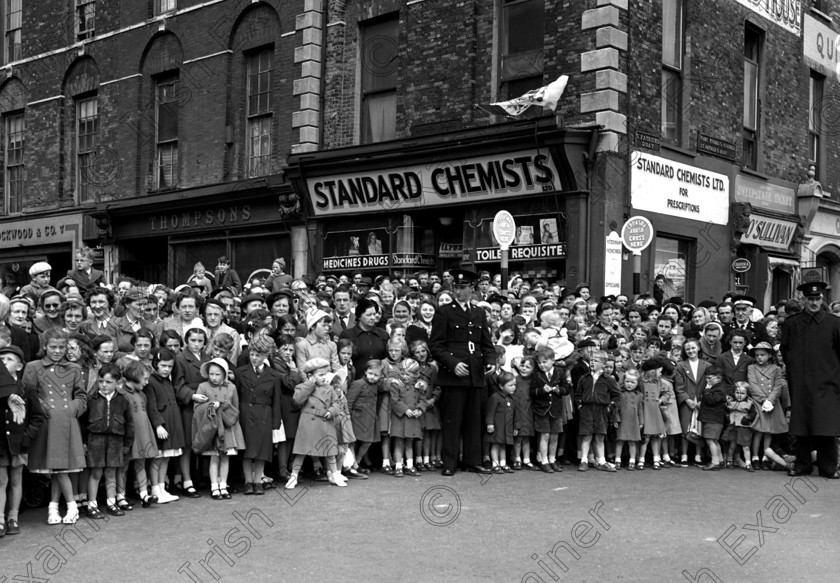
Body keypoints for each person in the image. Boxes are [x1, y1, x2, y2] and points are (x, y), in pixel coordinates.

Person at [430, 269, 495, 477]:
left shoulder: (479, 312)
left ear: (471, 289)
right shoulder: (444, 312)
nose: (459, 291)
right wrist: (452, 364)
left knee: (473, 420)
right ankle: (450, 462)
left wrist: (490, 361)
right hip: (454, 374)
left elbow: (486, 343)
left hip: (475, 373)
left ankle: (472, 460)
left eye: (463, 288)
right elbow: (436, 346)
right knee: (452, 420)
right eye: (456, 287)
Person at [23, 329, 87, 525]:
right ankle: (57, 507)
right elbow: (27, 394)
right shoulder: (33, 367)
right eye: (53, 347)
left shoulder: (74, 368)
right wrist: (42, 407)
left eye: (61, 347)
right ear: (44, 346)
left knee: (60, 468)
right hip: (45, 423)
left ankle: (66, 507)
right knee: (56, 468)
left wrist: (71, 410)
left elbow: (81, 396)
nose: (57, 351)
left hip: (67, 422)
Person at [780, 281, 840, 479]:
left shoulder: (834, 323)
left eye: (817, 298)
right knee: (801, 425)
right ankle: (802, 465)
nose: (814, 303)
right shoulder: (792, 323)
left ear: (822, 299)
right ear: (803, 300)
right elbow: (785, 350)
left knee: (826, 426)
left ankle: (829, 467)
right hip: (801, 383)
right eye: (810, 299)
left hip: (827, 383)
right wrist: (796, 373)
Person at [0, 344, 45, 536]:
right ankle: (0, 519)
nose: (3, 363)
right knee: (1, 481)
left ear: (19, 366)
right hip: (0, 443)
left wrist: (27, 437)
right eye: (1, 360)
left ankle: (13, 518)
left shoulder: (26, 388)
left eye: (9, 360)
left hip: (20, 443)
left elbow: (38, 417)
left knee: (16, 480)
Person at [285, 358, 347, 490]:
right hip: (308, 423)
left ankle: (335, 474)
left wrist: (331, 411)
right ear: (310, 376)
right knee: (301, 451)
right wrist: (309, 385)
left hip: (325, 421)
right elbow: (297, 400)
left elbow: (337, 403)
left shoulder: (329, 388)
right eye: (320, 375)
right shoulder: (303, 387)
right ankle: (293, 476)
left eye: (325, 374)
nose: (324, 378)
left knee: (330, 451)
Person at [235, 333, 283, 496]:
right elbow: (236, 397)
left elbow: (276, 400)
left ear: (265, 356)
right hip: (245, 414)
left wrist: (276, 423)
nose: (254, 358)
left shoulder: (274, 375)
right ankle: (248, 482)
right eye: (252, 354)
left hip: (264, 415)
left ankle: (258, 481)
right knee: (247, 451)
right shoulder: (240, 372)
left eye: (258, 355)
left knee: (262, 450)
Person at [84, 364, 134, 518]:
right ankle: (92, 505)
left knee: (111, 473)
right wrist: (84, 442)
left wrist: (127, 444)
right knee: (96, 473)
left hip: (116, 441)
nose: (104, 385)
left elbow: (129, 423)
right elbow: (83, 422)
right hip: (95, 441)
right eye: (101, 382)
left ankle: (111, 503)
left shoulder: (123, 400)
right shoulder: (91, 400)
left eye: (108, 382)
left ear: (118, 383)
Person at [195, 358, 245, 500]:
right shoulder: (203, 387)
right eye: (211, 374)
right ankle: (214, 487)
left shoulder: (231, 387)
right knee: (214, 457)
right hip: (212, 427)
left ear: (224, 374)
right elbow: (197, 409)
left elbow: (236, 407)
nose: (214, 377)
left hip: (227, 428)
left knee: (225, 457)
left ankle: (223, 485)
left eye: (218, 374)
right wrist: (211, 406)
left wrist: (225, 408)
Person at [144, 348, 184, 504]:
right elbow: (151, 406)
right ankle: (154, 488)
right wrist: (158, 425)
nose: (167, 369)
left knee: (166, 457)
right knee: (157, 459)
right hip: (161, 425)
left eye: (170, 366)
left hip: (172, 422)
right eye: (163, 365)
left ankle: (162, 488)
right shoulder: (151, 381)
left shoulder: (168, 380)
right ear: (156, 364)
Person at [575, 349, 620, 472]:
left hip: (601, 410)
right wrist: (580, 406)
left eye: (596, 360)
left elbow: (617, 395)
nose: (592, 363)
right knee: (586, 436)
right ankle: (584, 460)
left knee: (600, 436)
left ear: (604, 363)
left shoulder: (609, 379)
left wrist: (610, 407)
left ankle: (601, 461)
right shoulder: (584, 378)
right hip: (587, 410)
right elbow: (578, 394)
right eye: (591, 360)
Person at [531, 347, 567, 473]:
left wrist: (558, 390)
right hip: (542, 410)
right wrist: (542, 390)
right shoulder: (536, 374)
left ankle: (552, 459)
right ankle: (544, 460)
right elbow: (532, 391)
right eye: (539, 363)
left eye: (544, 362)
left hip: (556, 410)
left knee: (554, 436)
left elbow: (566, 389)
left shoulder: (559, 372)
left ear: (553, 360)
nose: (542, 365)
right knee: (544, 435)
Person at [485, 370, 517, 473]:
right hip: (497, 426)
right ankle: (495, 464)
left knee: (503, 445)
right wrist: (489, 423)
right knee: (495, 445)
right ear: (501, 386)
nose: (513, 387)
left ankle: (503, 463)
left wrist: (516, 427)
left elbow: (515, 414)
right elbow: (490, 412)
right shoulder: (495, 397)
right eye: (510, 385)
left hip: (506, 427)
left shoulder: (511, 399)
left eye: (514, 385)